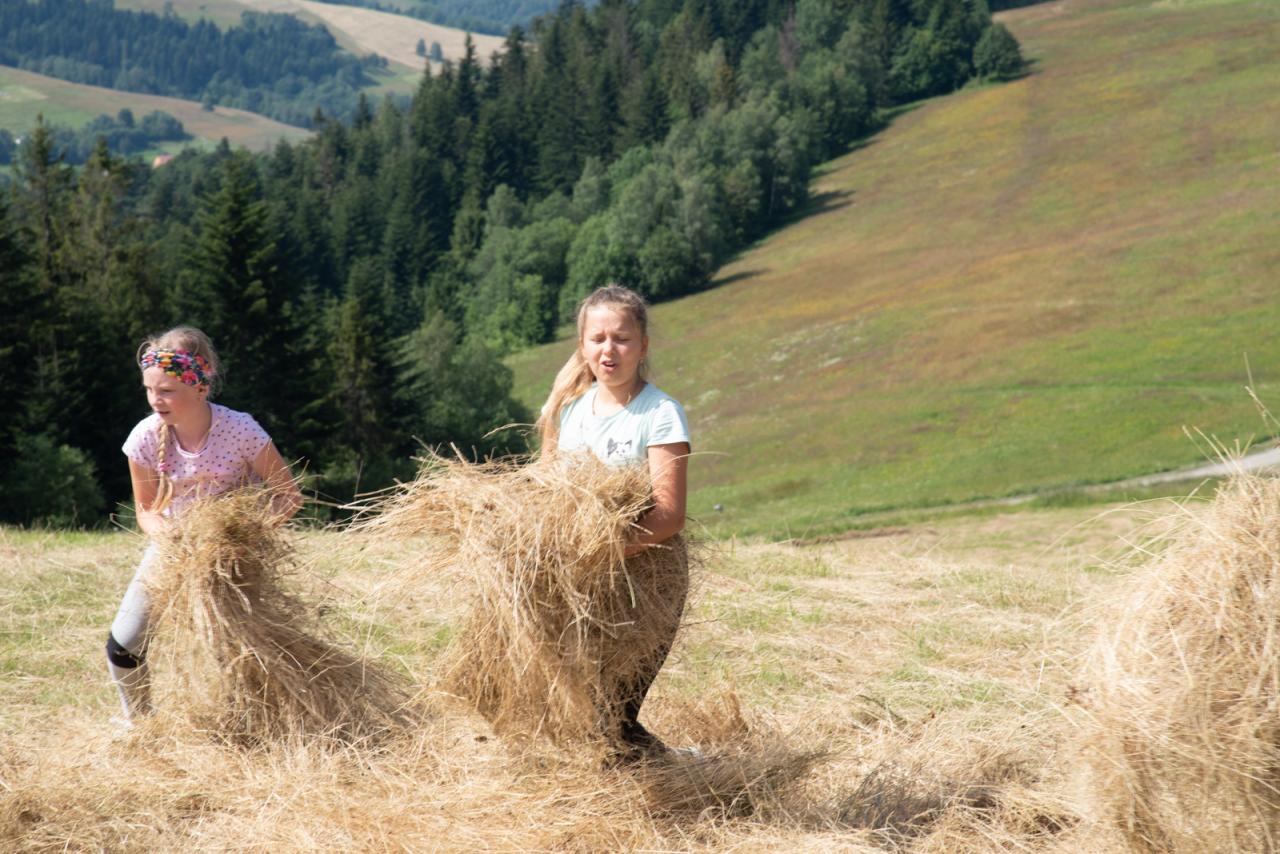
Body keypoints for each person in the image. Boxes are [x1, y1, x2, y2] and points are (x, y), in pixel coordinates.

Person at [108, 326, 302, 725]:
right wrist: (171, 539)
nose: (155, 400)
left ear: (201, 385)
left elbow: (288, 496)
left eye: (167, 391)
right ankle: (139, 726)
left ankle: (258, 723)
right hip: (174, 550)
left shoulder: (241, 430)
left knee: (238, 650)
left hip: (234, 555)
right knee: (123, 644)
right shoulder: (144, 437)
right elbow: (146, 510)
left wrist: (244, 536)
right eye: (149, 389)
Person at [536, 285, 692, 763]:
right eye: (598, 338)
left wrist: (601, 550)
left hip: (645, 585)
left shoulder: (660, 414)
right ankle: (675, 771)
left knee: (614, 717)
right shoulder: (569, 411)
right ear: (583, 346)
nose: (610, 350)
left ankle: (685, 779)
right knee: (577, 713)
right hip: (577, 585)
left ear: (643, 346)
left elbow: (668, 514)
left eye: (622, 339)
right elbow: (548, 494)